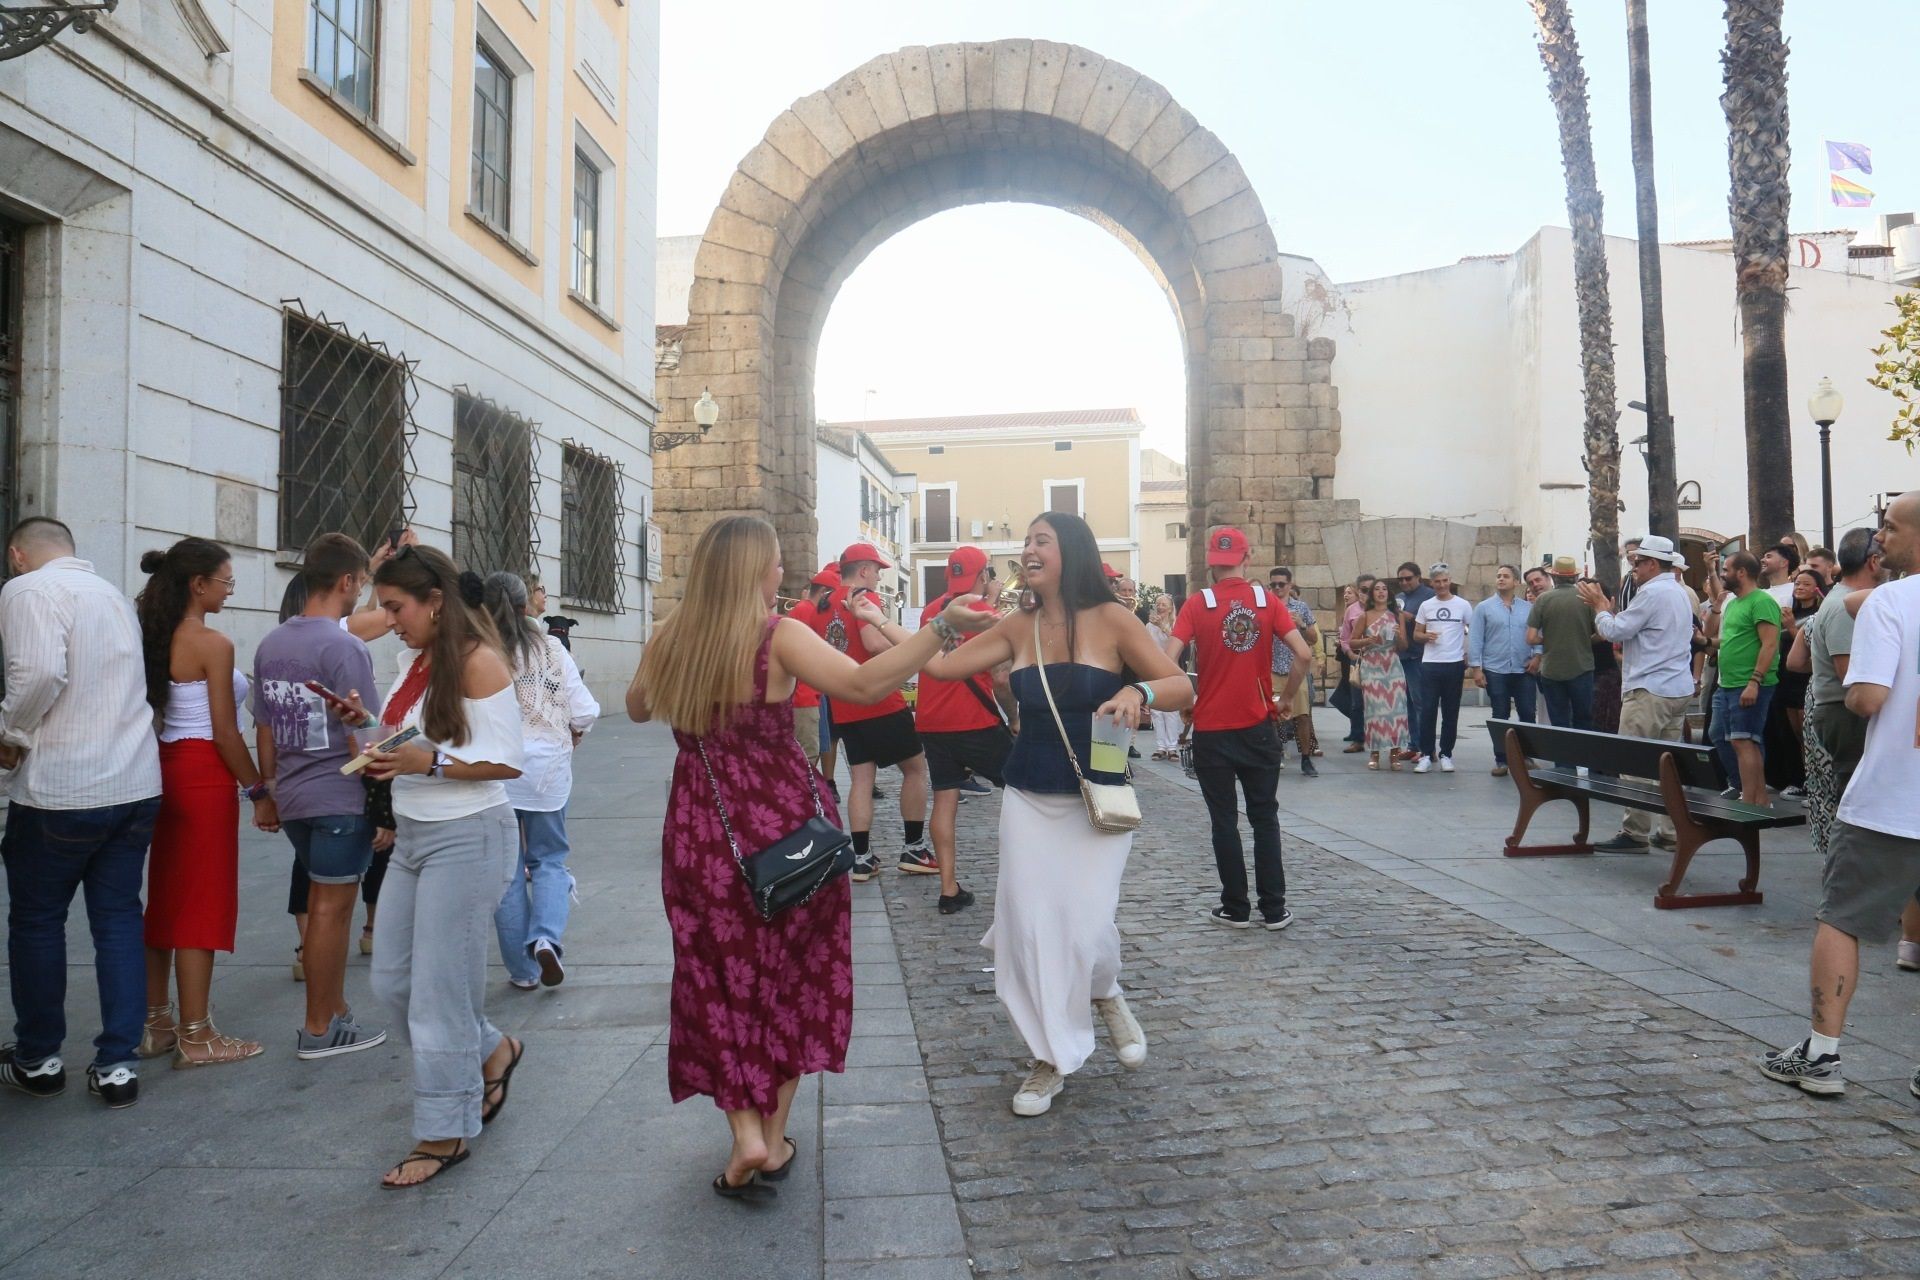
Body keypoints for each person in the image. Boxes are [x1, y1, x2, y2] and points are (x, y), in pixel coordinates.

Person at [627, 515, 990, 1195]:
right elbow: (863, 684)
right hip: (786, 831)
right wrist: (942, 629)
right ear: (751, 571)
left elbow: (639, 707)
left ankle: (744, 1138)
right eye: (772, 564)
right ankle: (772, 1134)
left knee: (716, 982)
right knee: (792, 978)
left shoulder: (673, 635)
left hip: (703, 835)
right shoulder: (778, 635)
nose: (779, 576)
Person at [919, 512, 1190, 1119]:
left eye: (1041, 540)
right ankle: (1049, 1057)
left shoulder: (1115, 619)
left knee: (1086, 924)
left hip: (1099, 798)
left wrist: (1137, 692)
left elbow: (1180, 687)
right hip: (1029, 796)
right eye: (1026, 542)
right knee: (1029, 928)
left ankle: (1105, 990)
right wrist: (890, 624)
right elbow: (937, 667)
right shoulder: (1017, 626)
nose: (1028, 549)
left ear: (1071, 550)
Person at [320, 544, 526, 1188]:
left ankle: (444, 1131)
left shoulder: (479, 662)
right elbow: (418, 738)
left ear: (435, 601)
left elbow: (509, 761)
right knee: (396, 984)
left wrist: (427, 764)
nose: (388, 620)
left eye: (395, 607)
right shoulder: (419, 661)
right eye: (384, 607)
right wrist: (370, 724)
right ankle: (493, 1048)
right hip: (414, 835)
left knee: (438, 993)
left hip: (468, 837)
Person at [1760, 493, 1920, 1098]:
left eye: (1891, 526)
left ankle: (1822, 1055)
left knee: (1842, 918)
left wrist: (1853, 695)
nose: (1881, 537)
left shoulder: (1891, 603)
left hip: (1893, 795)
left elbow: (1870, 699)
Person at [0, 518, 164, 1108]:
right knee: (118, 918)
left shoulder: (26, 589)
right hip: (133, 780)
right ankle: (117, 1063)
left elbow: (40, 672)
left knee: (38, 920)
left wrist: (10, 731)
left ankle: (40, 1057)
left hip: (62, 788)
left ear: (19, 555)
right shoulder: (113, 596)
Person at [134, 538, 275, 1068]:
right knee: (202, 900)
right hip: (202, 776)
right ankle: (197, 1035)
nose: (229, 590)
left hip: (160, 770)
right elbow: (224, 732)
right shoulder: (211, 643)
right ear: (199, 584)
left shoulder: (150, 633)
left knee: (165, 899)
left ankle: (157, 1023)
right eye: (226, 581)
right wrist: (259, 790)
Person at [253, 533, 390, 1060]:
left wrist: (268, 791)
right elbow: (372, 734)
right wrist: (383, 808)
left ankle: (334, 1012)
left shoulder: (272, 643)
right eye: (361, 582)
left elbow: (264, 727)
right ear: (347, 582)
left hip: (296, 799)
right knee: (333, 912)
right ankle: (318, 1028)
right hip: (339, 796)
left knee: (321, 907)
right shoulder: (344, 646)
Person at [1164, 529, 1309, 931]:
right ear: (1247, 560)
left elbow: (1167, 660)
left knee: (1224, 820)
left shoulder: (1198, 603)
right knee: (1265, 818)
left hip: (1212, 728)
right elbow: (1304, 653)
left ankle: (1236, 907)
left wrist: (1188, 701)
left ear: (1211, 563)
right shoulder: (1268, 602)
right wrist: (1285, 700)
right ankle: (1274, 908)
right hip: (1258, 724)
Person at [484, 572, 599, 990]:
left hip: (494, 773)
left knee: (508, 874)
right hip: (547, 772)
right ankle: (546, 938)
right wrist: (572, 734)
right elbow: (584, 710)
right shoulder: (550, 647)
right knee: (548, 861)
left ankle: (523, 972)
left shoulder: (479, 650)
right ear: (525, 606)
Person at [1577, 535, 1698, 852]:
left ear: (1653, 564)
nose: (1634, 569)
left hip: (1649, 689)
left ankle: (1635, 833)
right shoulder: (1679, 593)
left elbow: (1614, 631)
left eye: (1637, 563)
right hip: (1677, 687)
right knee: (1668, 765)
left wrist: (1601, 607)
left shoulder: (1653, 593)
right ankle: (1670, 831)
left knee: (1635, 764)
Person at [821, 543, 934, 881]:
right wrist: (902, 645)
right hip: (880, 700)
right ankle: (914, 847)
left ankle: (862, 857)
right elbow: (873, 644)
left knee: (861, 779)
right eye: (878, 568)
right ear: (864, 569)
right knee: (916, 770)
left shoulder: (824, 603)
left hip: (845, 702)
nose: (881, 574)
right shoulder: (862, 599)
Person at [912, 546, 1012, 915]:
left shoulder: (929, 611)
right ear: (983, 575)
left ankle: (948, 888)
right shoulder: (987, 614)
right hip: (974, 721)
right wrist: (1015, 718)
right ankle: (1026, 882)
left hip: (931, 721)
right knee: (1024, 790)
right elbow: (1001, 678)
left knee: (944, 798)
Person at [1786, 528, 1884, 866]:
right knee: (1854, 802)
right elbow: (1849, 675)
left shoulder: (1842, 599)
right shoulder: (1845, 606)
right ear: (1873, 562)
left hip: (1836, 710)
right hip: (1845, 713)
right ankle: (1849, 877)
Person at [1706, 551, 1781, 807]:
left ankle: (1751, 801)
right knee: (1737, 741)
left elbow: (1770, 644)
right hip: (1728, 683)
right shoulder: (1734, 603)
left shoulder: (1761, 601)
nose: (1723, 574)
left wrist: (1754, 681)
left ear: (1741, 572)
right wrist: (1704, 641)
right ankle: (1758, 799)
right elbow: (1729, 642)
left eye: (1726, 569)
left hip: (1748, 684)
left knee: (1744, 740)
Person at [1468, 565, 1539, 776]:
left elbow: (1537, 633)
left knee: (1527, 713)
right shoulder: (1484, 608)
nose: (1501, 579)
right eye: (1498, 576)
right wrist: (1476, 668)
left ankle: (1526, 757)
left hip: (1523, 667)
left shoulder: (1528, 608)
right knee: (1500, 714)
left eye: (1506, 576)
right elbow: (1475, 638)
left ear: (1516, 582)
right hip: (1495, 668)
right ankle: (1502, 760)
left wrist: (1537, 656)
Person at [1767, 566, 1827, 797]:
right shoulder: (1788, 611)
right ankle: (1797, 778)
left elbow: (1811, 647)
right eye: (1797, 583)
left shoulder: (1818, 615)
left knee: (1806, 734)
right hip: (1785, 678)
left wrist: (1792, 628)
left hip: (1805, 678)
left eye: (1806, 584)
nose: (1800, 587)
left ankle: (1811, 783)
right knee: (1790, 733)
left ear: (1817, 589)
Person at [1527, 555, 1597, 738]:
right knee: (1583, 719)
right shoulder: (1585, 598)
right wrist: (1583, 639)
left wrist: (1549, 638)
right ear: (1575, 577)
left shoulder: (1543, 600)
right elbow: (1603, 634)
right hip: (1582, 667)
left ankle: (1563, 764)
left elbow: (1531, 638)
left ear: (1554, 578)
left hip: (1552, 670)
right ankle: (1584, 763)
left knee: (1559, 721)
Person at [1410, 563, 1470, 774]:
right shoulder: (1426, 606)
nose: (1442, 585)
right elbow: (1416, 634)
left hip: (1454, 664)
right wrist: (1425, 636)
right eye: (1437, 581)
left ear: (1450, 581)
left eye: (1445, 580)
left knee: (1451, 711)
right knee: (1427, 711)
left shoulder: (1463, 605)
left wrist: (1467, 654)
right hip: (1430, 664)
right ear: (1432, 583)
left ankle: (1447, 754)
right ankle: (1426, 754)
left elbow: (1470, 631)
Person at [1266, 566, 1320, 777]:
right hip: (1270, 668)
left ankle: (1305, 758)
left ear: (1290, 585)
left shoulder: (1300, 607)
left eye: (1281, 584)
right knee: (1269, 716)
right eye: (1273, 584)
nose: (1277, 588)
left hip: (1295, 668)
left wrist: (1302, 624)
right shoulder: (1265, 606)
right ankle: (1274, 754)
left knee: (1302, 715)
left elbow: (1314, 639)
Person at [1353, 578, 1410, 771]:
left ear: (1389, 593)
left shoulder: (1396, 615)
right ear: (1371, 595)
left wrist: (1399, 635)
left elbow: (1403, 647)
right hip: (1372, 665)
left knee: (1397, 711)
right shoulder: (1365, 616)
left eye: (1384, 589)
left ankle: (1395, 754)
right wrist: (1368, 640)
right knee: (1374, 711)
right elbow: (1352, 642)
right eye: (1376, 589)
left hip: (1392, 665)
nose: (1380, 592)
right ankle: (1374, 753)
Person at [785, 565, 839, 768]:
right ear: (825, 593)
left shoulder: (805, 610)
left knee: (816, 748)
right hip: (804, 695)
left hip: (811, 693)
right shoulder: (808, 611)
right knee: (808, 754)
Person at [1393, 563, 1434, 762]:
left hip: (1420, 657)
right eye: (1401, 579)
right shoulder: (1399, 598)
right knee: (1407, 704)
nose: (1404, 582)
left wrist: (1406, 616)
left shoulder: (1428, 595)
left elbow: (1428, 621)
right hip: (1402, 657)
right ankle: (1413, 744)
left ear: (1418, 577)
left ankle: (1427, 748)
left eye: (1408, 578)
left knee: (1421, 704)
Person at [1336, 574, 1377, 750]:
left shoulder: (1384, 609)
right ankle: (1358, 739)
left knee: (1380, 702)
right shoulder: (1351, 611)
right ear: (1359, 590)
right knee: (1357, 702)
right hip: (1358, 660)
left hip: (1380, 661)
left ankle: (1380, 738)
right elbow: (1344, 638)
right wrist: (1350, 655)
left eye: (1371, 589)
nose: (1367, 594)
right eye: (1363, 590)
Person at [1145, 595, 1183, 760]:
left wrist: (1162, 626)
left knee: (1171, 710)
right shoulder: (1149, 626)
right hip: (1155, 669)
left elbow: (1176, 641)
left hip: (1172, 668)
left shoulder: (1176, 624)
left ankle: (1172, 747)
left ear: (1170, 608)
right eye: (1158, 604)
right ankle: (1161, 746)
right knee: (1156, 711)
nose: (1160, 607)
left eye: (1164, 604)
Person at [1760, 540, 1800, 609]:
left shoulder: (1796, 591)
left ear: (1783, 563)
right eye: (1764, 557)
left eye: (1768, 557)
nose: (1762, 560)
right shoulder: (1761, 594)